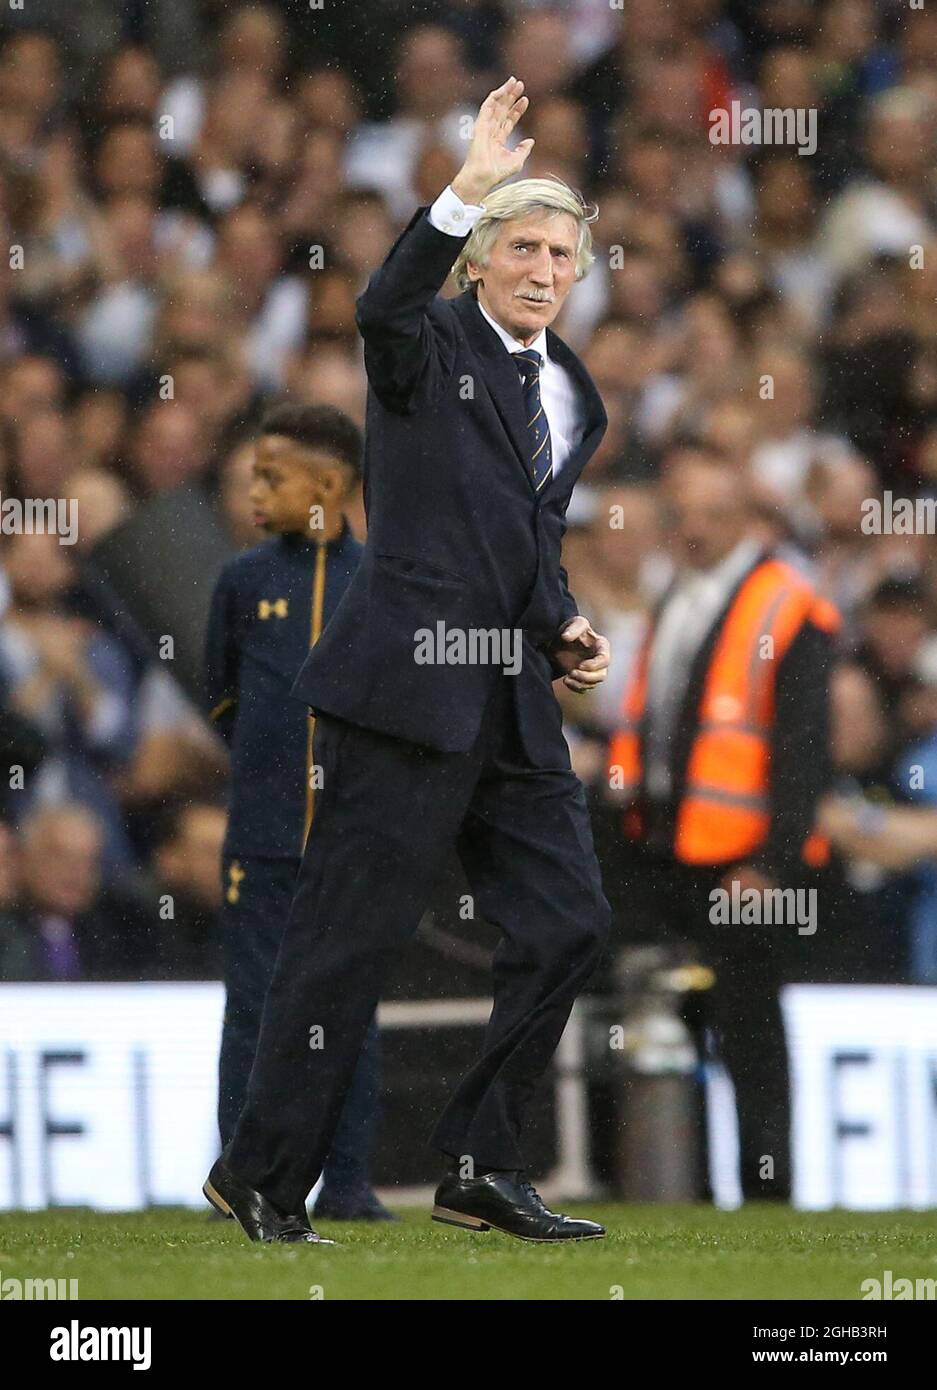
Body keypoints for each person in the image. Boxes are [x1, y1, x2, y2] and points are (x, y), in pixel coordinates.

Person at [205, 78, 613, 1244]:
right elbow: (382, 302)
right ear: (479, 259)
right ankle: (264, 1173)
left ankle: (482, 1161)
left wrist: (561, 622)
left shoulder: (575, 392)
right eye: (522, 245)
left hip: (512, 701)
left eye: (562, 253)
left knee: (569, 919)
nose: (543, 267)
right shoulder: (424, 340)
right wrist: (462, 185)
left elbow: (524, 537)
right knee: (349, 939)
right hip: (406, 687)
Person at [606, 453, 840, 1201]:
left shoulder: (784, 602)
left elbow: (803, 747)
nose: (693, 529)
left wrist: (773, 863)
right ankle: (680, 1186)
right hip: (666, 846)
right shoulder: (679, 593)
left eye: (710, 514)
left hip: (740, 857)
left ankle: (766, 1186)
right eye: (681, 516)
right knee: (675, 1022)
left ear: (745, 516)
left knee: (749, 1035)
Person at [205, 402, 391, 1222]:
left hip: (352, 843)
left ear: (327, 484)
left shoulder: (379, 584)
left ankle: (348, 1184)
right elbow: (218, 693)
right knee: (254, 1009)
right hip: (263, 839)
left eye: (269, 476)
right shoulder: (242, 581)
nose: (252, 490)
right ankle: (241, 1181)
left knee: (349, 1010)